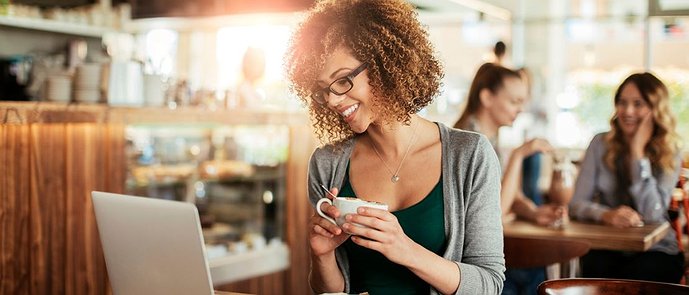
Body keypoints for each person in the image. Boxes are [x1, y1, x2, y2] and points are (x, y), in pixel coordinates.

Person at [284, 1, 505, 294]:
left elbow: (489, 285)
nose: (333, 100)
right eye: (323, 90)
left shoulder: (469, 155)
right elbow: (332, 291)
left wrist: (405, 250)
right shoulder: (328, 164)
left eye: (343, 81)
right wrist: (322, 256)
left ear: (383, 64)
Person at [569, 72, 684, 283]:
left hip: (656, 250)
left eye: (638, 104)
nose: (627, 111)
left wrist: (637, 153)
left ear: (655, 109)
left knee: (644, 273)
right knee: (595, 265)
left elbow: (653, 214)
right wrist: (606, 215)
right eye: (622, 103)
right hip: (608, 246)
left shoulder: (670, 150)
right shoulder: (599, 143)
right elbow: (576, 205)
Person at [454, 63, 563, 225]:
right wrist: (518, 155)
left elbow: (512, 195)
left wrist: (534, 212)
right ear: (487, 98)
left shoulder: (490, 139)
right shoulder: (469, 142)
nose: (521, 109)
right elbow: (494, 215)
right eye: (514, 102)